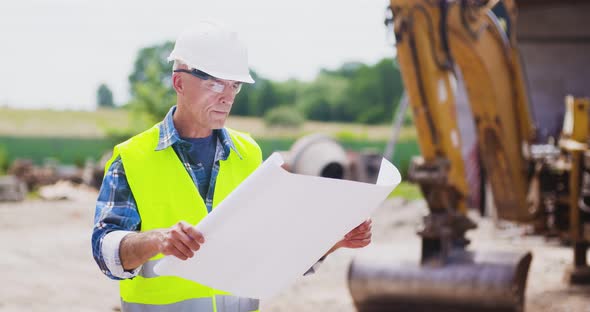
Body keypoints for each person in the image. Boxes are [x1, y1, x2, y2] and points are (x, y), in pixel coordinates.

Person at [92, 21, 373, 312]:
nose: (227, 97)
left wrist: (332, 241)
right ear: (179, 83)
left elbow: (272, 252)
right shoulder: (133, 158)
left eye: (234, 85)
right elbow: (104, 251)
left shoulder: (248, 153)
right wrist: (157, 240)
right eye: (215, 83)